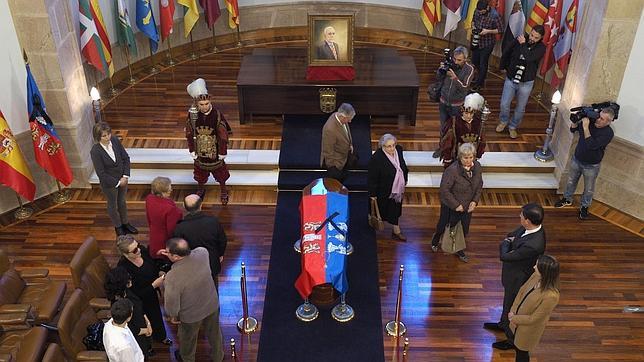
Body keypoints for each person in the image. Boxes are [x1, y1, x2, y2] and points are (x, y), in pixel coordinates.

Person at [484, 203, 546, 350]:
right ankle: (503, 324)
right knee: (508, 302)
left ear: (528, 221)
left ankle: (512, 340)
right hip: (513, 274)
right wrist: (509, 242)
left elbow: (505, 256)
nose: (519, 217)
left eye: (521, 216)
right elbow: (510, 235)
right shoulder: (528, 229)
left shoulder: (534, 244)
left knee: (514, 306)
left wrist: (507, 244)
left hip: (519, 278)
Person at [159, 238, 224, 362]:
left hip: (191, 316)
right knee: (215, 334)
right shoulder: (203, 253)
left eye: (169, 253)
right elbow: (194, 252)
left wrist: (173, 316)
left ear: (176, 256)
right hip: (212, 305)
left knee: (188, 341)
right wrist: (171, 253)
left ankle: (187, 359)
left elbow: (172, 305)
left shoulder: (172, 277)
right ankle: (218, 357)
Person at [554, 107, 616, 219]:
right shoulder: (591, 121)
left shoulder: (608, 133)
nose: (598, 119)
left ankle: (584, 206)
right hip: (577, 158)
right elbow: (573, 130)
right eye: (599, 116)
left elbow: (591, 145)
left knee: (589, 188)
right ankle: (567, 199)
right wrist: (575, 121)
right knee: (571, 181)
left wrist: (586, 127)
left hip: (592, 165)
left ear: (608, 121)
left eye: (602, 119)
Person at [497, 254, 561, 361]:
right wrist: (513, 310)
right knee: (516, 346)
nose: (534, 267)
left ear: (545, 272)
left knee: (522, 354)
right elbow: (522, 290)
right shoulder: (536, 276)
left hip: (527, 331)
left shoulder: (551, 296)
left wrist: (514, 318)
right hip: (516, 321)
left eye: (537, 266)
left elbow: (535, 318)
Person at [116, 235, 171, 347]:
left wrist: (159, 271)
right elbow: (134, 294)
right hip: (139, 301)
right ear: (126, 254)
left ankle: (161, 337)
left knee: (156, 316)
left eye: (138, 245)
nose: (139, 250)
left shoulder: (143, 252)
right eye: (135, 250)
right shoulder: (123, 269)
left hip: (151, 295)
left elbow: (152, 265)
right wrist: (153, 285)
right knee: (143, 323)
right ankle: (148, 346)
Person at [431, 143, 483, 263]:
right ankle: (436, 239)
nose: (469, 160)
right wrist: (456, 205)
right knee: (444, 225)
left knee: (463, 229)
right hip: (451, 206)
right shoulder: (452, 170)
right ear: (460, 157)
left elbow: (479, 185)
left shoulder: (478, 167)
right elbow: (444, 190)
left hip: (467, 206)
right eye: (466, 158)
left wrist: (475, 201)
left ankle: (459, 249)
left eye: (471, 157)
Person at [185, 78, 233, 205]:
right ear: (196, 103)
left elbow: (223, 135)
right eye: (201, 104)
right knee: (200, 174)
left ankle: (223, 191)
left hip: (215, 151)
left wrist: (222, 152)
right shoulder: (192, 115)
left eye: (206, 103)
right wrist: (191, 149)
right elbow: (189, 133)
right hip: (199, 150)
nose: (204, 106)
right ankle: (200, 189)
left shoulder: (216, 114)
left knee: (221, 174)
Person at [496, 25, 546, 139]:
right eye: (532, 35)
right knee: (504, 104)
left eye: (536, 37)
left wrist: (523, 44)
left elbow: (529, 57)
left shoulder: (541, 48)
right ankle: (503, 121)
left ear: (541, 38)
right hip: (511, 78)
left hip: (526, 82)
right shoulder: (520, 38)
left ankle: (513, 126)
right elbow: (507, 51)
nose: (532, 38)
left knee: (520, 108)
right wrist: (504, 67)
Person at [90, 122, 137, 237]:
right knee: (112, 205)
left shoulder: (115, 140)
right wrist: (117, 182)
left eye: (108, 134)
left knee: (122, 202)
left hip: (123, 179)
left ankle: (125, 223)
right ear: (98, 137)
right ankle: (118, 226)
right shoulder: (95, 151)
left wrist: (125, 176)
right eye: (104, 136)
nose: (107, 137)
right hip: (109, 184)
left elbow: (125, 158)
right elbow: (101, 173)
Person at [173, 194, 227, 288]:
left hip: (191, 267)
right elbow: (222, 240)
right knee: (213, 290)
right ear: (201, 205)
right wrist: (220, 254)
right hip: (211, 264)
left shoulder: (180, 227)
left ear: (184, 207)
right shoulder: (213, 222)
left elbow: (179, 249)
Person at [434, 46, 475, 158]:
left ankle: (455, 151)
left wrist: (455, 78)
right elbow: (438, 79)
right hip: (443, 102)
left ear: (465, 59)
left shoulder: (469, 69)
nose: (456, 62)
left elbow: (465, 87)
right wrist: (440, 70)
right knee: (443, 128)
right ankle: (442, 148)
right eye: (454, 59)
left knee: (456, 129)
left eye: (459, 60)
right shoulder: (449, 63)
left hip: (457, 105)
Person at [368, 133, 409, 241]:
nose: (392, 148)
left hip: (397, 191)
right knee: (380, 211)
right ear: (382, 146)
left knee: (395, 209)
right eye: (389, 146)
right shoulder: (377, 158)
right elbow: (372, 178)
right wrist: (373, 194)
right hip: (383, 191)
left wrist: (404, 180)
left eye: (393, 145)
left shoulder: (398, 150)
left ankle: (396, 230)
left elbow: (403, 166)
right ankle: (371, 225)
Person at [104, 266, 153, 357]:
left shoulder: (127, 291)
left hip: (141, 326)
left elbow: (139, 306)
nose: (130, 278)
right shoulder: (120, 304)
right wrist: (145, 330)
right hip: (136, 336)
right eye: (127, 278)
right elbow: (129, 327)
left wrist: (147, 321)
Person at [438, 93, 487, 168]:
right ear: (462, 111)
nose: (468, 116)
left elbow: (482, 141)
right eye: (466, 113)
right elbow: (447, 142)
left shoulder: (478, 123)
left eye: (471, 113)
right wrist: (448, 158)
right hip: (456, 157)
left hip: (471, 157)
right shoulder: (453, 122)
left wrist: (478, 154)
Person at [145, 176, 183, 264]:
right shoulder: (169, 209)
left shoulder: (149, 198)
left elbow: (148, 217)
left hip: (154, 231)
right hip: (164, 237)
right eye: (169, 188)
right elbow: (172, 230)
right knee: (165, 256)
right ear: (162, 192)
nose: (171, 190)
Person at [470, 0, 504, 91]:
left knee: (483, 63)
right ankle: (480, 76)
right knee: (475, 61)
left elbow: (500, 30)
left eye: (482, 11)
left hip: (487, 43)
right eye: (479, 11)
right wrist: (473, 27)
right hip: (476, 40)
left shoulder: (495, 15)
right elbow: (473, 20)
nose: (480, 13)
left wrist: (488, 31)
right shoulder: (477, 10)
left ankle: (479, 83)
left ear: (487, 7)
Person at [320, 103, 356, 182]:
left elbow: (346, 133)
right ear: (342, 116)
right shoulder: (330, 129)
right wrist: (333, 168)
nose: (350, 121)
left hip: (344, 158)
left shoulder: (341, 119)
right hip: (336, 163)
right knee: (335, 186)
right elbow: (328, 150)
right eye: (349, 118)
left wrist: (350, 145)